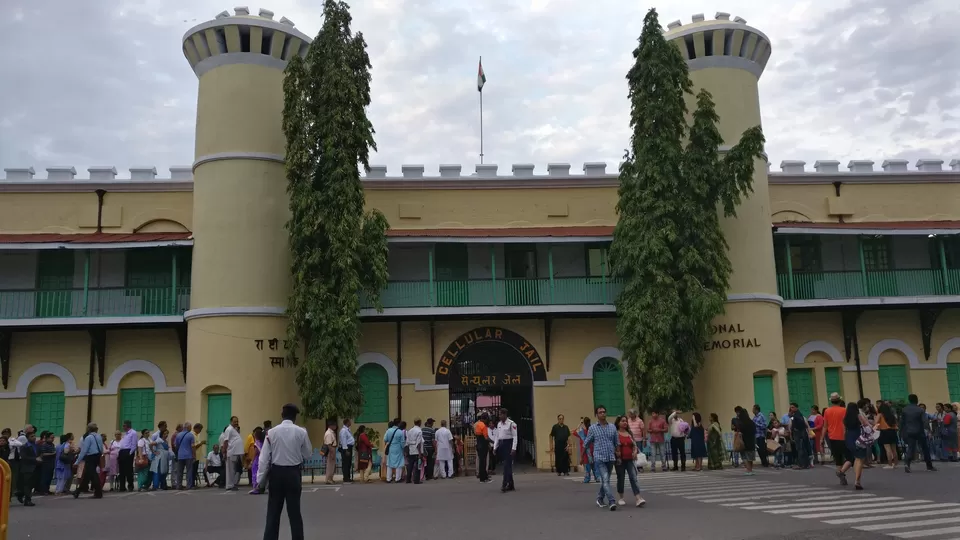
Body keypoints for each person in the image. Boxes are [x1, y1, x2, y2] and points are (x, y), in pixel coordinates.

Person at [259, 403, 313, 540]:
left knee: (273, 512)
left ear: (282, 415)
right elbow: (308, 454)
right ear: (295, 417)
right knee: (295, 513)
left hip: (276, 473)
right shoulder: (301, 432)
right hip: (293, 473)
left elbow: (264, 458)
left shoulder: (271, 433)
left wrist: (260, 479)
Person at [582, 405, 618, 511]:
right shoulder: (593, 428)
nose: (602, 414)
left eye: (604, 412)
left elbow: (616, 442)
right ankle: (611, 501)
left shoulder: (612, 427)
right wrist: (583, 456)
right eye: (600, 412)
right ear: (596, 415)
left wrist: (618, 454)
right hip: (599, 457)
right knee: (605, 479)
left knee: (606, 480)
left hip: (610, 457)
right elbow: (586, 443)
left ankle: (600, 498)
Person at [613, 416, 645, 507]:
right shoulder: (615, 434)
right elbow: (613, 445)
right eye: (623, 421)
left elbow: (634, 444)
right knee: (621, 478)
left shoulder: (629, 433)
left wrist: (634, 452)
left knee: (633, 478)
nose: (625, 423)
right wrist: (616, 452)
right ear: (618, 423)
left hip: (630, 460)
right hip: (620, 460)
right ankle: (621, 498)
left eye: (626, 421)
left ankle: (638, 498)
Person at [902, 394, 936, 473]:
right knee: (925, 448)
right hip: (919, 431)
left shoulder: (905, 409)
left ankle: (907, 463)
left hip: (909, 431)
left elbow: (902, 422)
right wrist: (929, 430)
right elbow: (925, 421)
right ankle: (929, 466)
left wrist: (902, 432)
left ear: (909, 400)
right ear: (916, 400)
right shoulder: (920, 410)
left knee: (911, 448)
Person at [73, 423, 104, 499]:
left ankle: (98, 493)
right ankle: (78, 491)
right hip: (97, 455)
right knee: (87, 475)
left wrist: (77, 462)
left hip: (90, 457)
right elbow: (101, 448)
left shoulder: (88, 438)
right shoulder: (99, 436)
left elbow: (84, 451)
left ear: (88, 429)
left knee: (93, 475)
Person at [845, 401, 870, 490]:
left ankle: (856, 477)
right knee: (860, 459)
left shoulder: (846, 418)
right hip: (859, 438)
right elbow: (866, 424)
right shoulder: (858, 416)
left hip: (849, 438)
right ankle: (857, 480)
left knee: (856, 458)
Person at [495, 408, 518, 493]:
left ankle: (504, 484)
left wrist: (513, 448)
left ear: (505, 415)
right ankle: (511, 484)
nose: (499, 416)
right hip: (502, 445)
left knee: (506, 465)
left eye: (501, 414)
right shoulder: (499, 424)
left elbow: (515, 436)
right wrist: (495, 447)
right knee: (507, 465)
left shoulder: (511, 424)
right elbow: (497, 436)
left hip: (509, 444)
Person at [16, 430, 39, 506]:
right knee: (27, 485)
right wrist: (35, 459)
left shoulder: (36, 446)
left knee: (31, 485)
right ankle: (27, 500)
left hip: (35, 467)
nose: (34, 437)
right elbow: (24, 457)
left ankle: (20, 494)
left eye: (34, 436)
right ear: (27, 438)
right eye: (32, 436)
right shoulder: (24, 446)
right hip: (27, 468)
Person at [223, 416, 245, 490]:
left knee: (233, 470)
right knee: (231, 470)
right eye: (234, 421)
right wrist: (224, 452)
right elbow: (226, 441)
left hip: (235, 452)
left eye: (237, 421)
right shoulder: (229, 429)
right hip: (231, 452)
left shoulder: (234, 429)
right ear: (231, 421)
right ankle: (230, 485)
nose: (236, 423)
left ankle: (231, 484)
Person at [877, 401, 899, 468]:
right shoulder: (892, 415)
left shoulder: (880, 415)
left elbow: (876, 422)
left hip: (884, 431)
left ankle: (890, 464)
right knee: (894, 449)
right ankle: (895, 463)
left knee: (888, 449)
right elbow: (896, 424)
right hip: (893, 431)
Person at [117, 420, 137, 492]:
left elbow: (134, 444)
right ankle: (122, 486)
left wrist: (130, 453)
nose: (123, 427)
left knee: (128, 470)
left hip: (128, 452)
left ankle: (130, 486)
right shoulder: (125, 434)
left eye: (124, 425)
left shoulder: (133, 433)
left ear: (127, 426)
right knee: (121, 470)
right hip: (122, 452)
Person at [737, 407, 757, 475]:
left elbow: (740, 432)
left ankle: (748, 470)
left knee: (744, 457)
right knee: (750, 457)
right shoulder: (752, 423)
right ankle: (751, 470)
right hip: (751, 441)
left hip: (744, 441)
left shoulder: (741, 423)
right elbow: (755, 431)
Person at [405, 418, 425, 484]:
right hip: (417, 450)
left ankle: (408, 479)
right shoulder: (419, 431)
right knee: (418, 466)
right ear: (419, 423)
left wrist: (407, 450)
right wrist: (420, 453)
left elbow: (407, 442)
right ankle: (416, 480)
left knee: (410, 465)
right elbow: (418, 443)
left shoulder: (410, 430)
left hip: (411, 449)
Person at [577, 417, 596, 482]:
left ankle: (587, 478)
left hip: (585, 450)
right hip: (592, 449)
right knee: (594, 465)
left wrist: (580, 423)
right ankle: (597, 477)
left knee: (587, 465)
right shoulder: (592, 430)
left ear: (584, 423)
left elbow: (576, 431)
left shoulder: (582, 432)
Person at [474, 414, 492, 483]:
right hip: (483, 445)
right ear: (485, 419)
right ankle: (484, 478)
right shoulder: (484, 426)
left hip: (478, 445)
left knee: (481, 462)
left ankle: (482, 477)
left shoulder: (477, 424)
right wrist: (493, 441)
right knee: (483, 462)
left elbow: (477, 434)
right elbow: (486, 438)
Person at [338, 418, 355, 484]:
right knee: (346, 463)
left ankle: (348, 477)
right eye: (350, 421)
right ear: (347, 422)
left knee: (349, 463)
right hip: (346, 448)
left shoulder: (347, 430)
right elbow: (343, 440)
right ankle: (345, 477)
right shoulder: (344, 430)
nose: (351, 422)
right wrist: (346, 450)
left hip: (349, 447)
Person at [250, 428, 266, 494]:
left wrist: (252, 461)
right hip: (262, 460)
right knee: (260, 474)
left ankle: (255, 488)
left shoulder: (257, 443)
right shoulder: (263, 442)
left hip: (256, 460)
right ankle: (261, 487)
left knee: (255, 474)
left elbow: (255, 452)